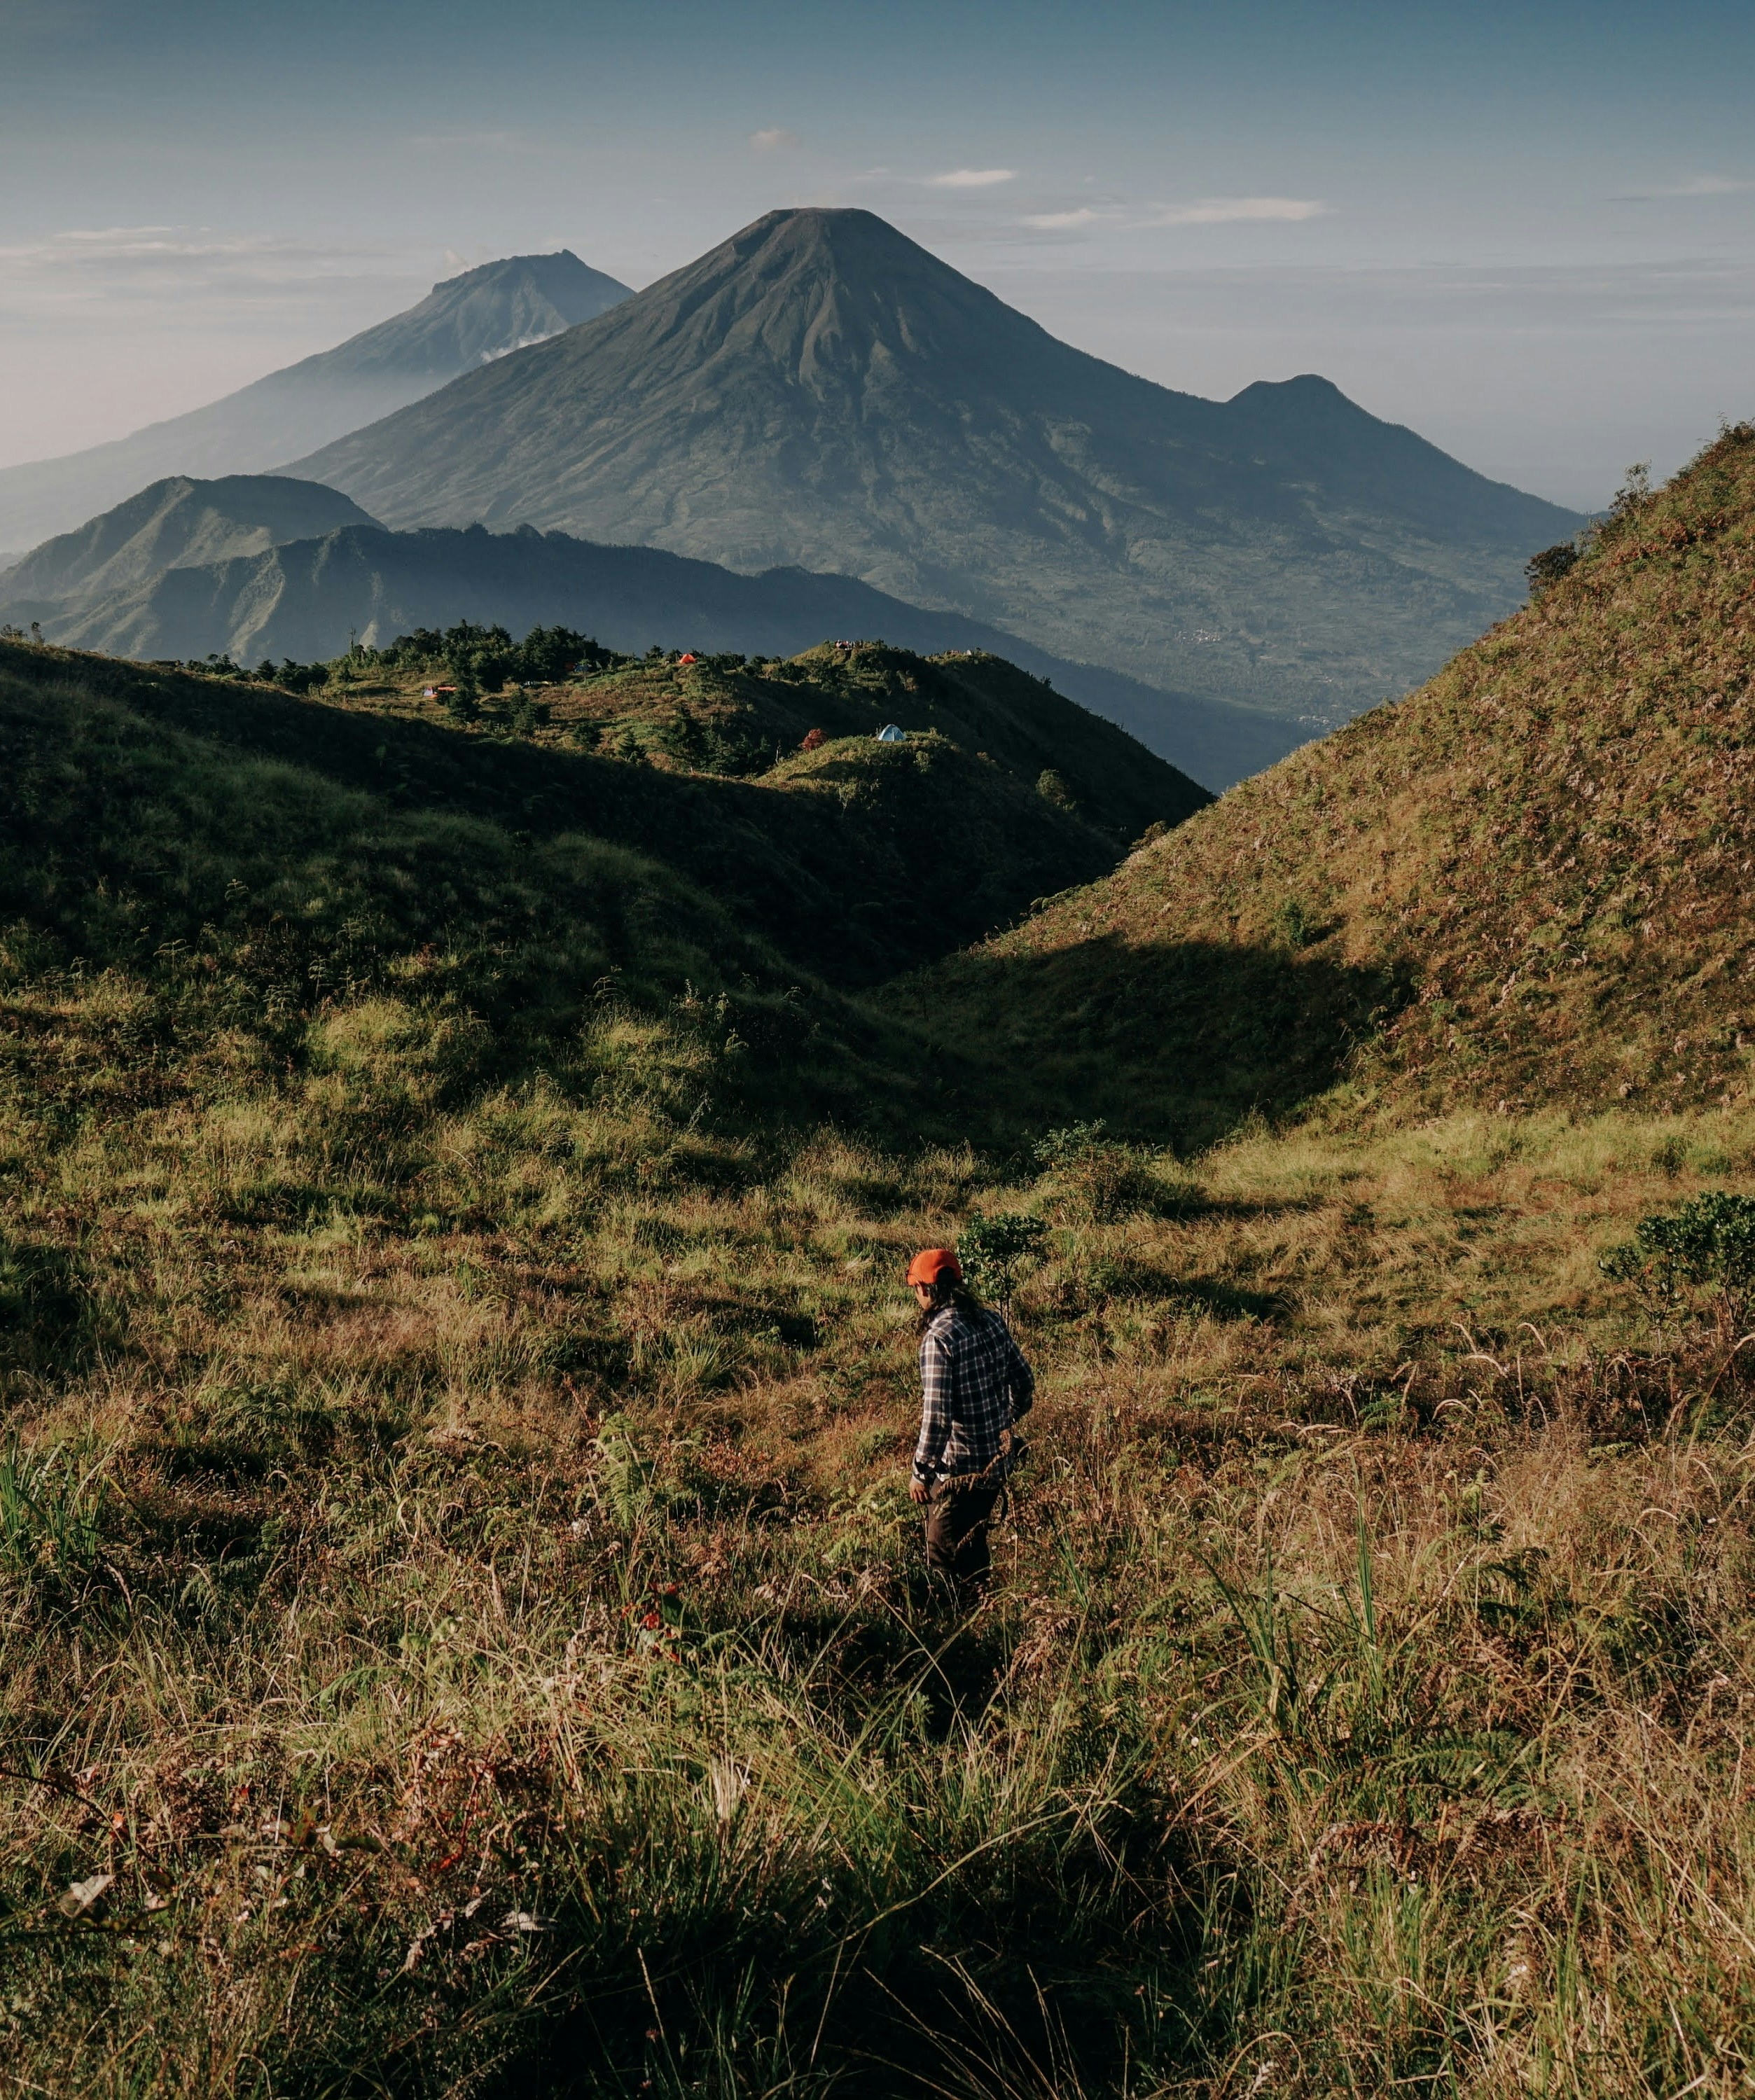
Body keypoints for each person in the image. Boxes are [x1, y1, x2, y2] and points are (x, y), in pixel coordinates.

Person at [906, 1247, 1034, 1592]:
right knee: (974, 1544)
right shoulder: (991, 1320)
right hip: (995, 1464)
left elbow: (937, 1418)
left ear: (926, 1290)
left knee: (943, 1554)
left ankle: (961, 1628)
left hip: (958, 1473)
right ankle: (985, 1608)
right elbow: (1024, 1383)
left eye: (916, 1288)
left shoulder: (939, 1339)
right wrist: (1002, 1425)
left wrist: (921, 1473)